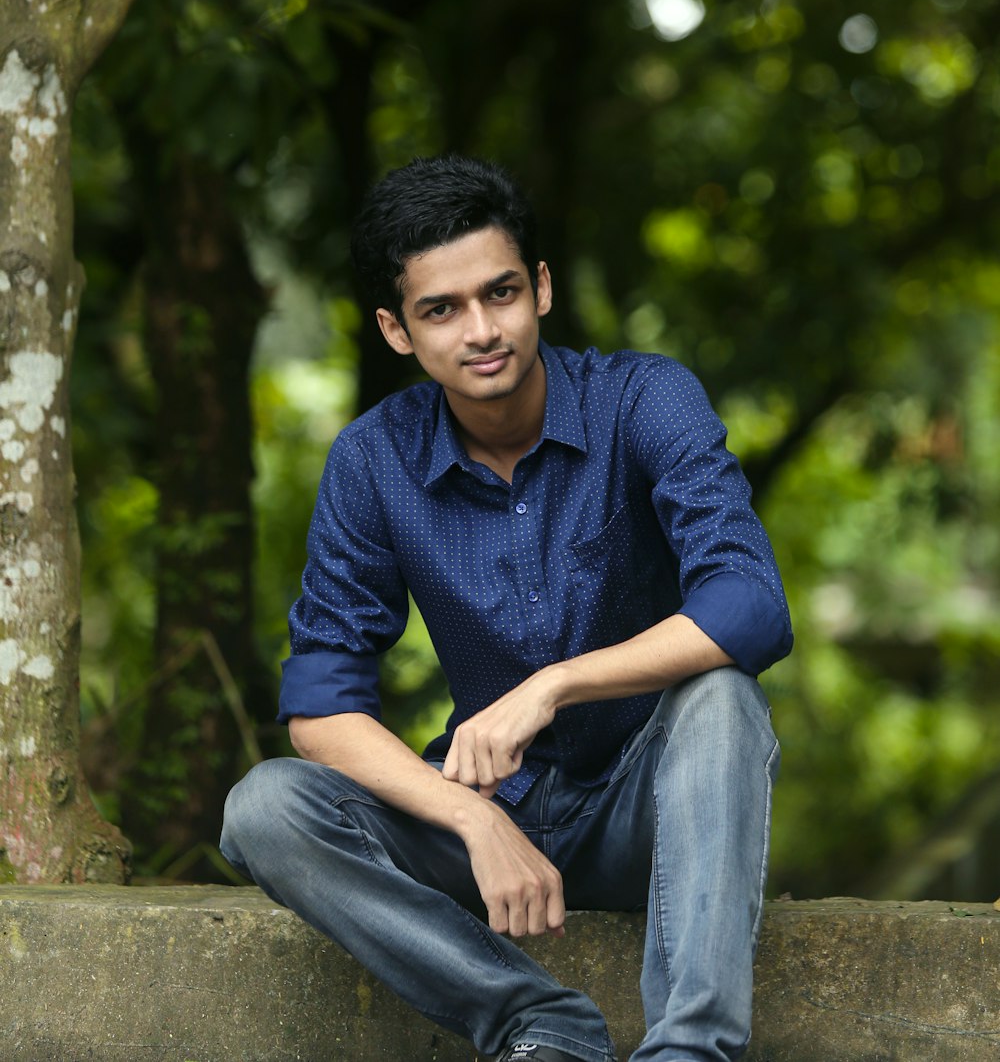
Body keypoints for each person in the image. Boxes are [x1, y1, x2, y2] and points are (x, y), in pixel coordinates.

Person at [221, 155, 792, 1062]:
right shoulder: (374, 463)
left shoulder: (643, 399)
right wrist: (475, 820)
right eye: (441, 310)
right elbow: (322, 706)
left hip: (649, 811)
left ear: (542, 288)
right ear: (397, 331)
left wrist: (555, 686)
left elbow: (752, 605)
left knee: (722, 697)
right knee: (265, 809)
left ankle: (687, 1052)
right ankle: (538, 1020)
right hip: (499, 809)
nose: (482, 331)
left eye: (501, 293)